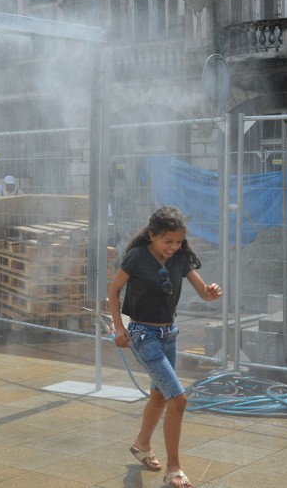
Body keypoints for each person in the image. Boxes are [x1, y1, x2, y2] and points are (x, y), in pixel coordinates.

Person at [106, 206, 221, 488]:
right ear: (152, 236)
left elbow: (203, 293)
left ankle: (142, 445)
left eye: (178, 241)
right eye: (167, 241)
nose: (173, 247)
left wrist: (212, 293)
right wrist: (119, 327)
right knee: (178, 399)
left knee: (159, 395)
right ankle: (174, 468)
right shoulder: (136, 257)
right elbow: (113, 289)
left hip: (170, 334)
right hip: (142, 335)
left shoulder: (181, 257)